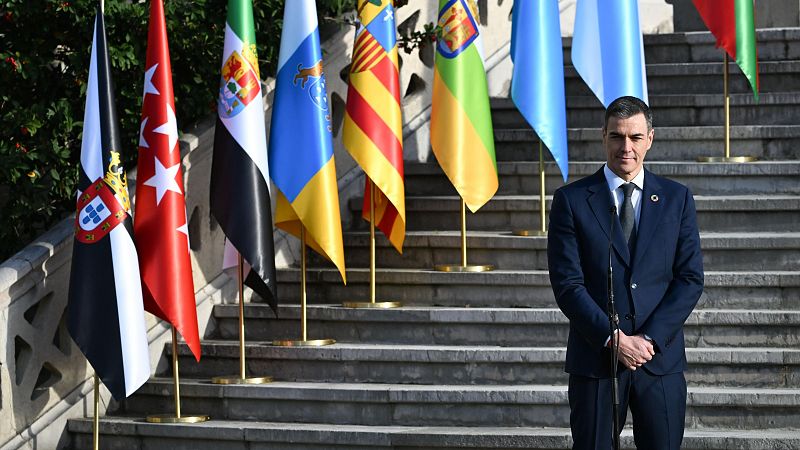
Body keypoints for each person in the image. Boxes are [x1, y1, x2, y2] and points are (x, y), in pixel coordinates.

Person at [547, 96, 704, 450]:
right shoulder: (572, 200)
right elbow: (568, 283)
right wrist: (614, 338)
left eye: (635, 137)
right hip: (597, 361)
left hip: (659, 362)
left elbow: (690, 278)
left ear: (650, 138)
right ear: (603, 136)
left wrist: (647, 341)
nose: (626, 147)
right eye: (617, 136)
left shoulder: (676, 198)